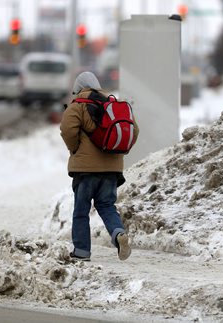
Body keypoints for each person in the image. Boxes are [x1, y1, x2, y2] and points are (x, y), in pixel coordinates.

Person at [60, 71, 138, 261]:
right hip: (112, 170)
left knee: (81, 210)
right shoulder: (113, 105)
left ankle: (81, 251)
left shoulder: (78, 105)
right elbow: (134, 130)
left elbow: (67, 129)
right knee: (106, 206)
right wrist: (118, 152)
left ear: (78, 89)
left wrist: (75, 148)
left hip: (86, 170)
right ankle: (118, 234)